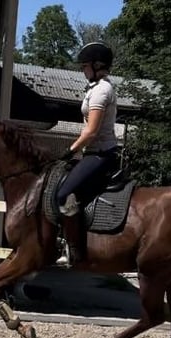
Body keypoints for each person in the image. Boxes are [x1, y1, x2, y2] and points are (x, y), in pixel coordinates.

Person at [56, 41, 120, 267]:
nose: (83, 70)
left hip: (101, 154)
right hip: (92, 153)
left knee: (64, 193)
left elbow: (91, 131)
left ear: (97, 65)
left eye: (85, 66)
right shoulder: (95, 88)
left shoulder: (102, 90)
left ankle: (74, 251)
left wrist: (70, 150)